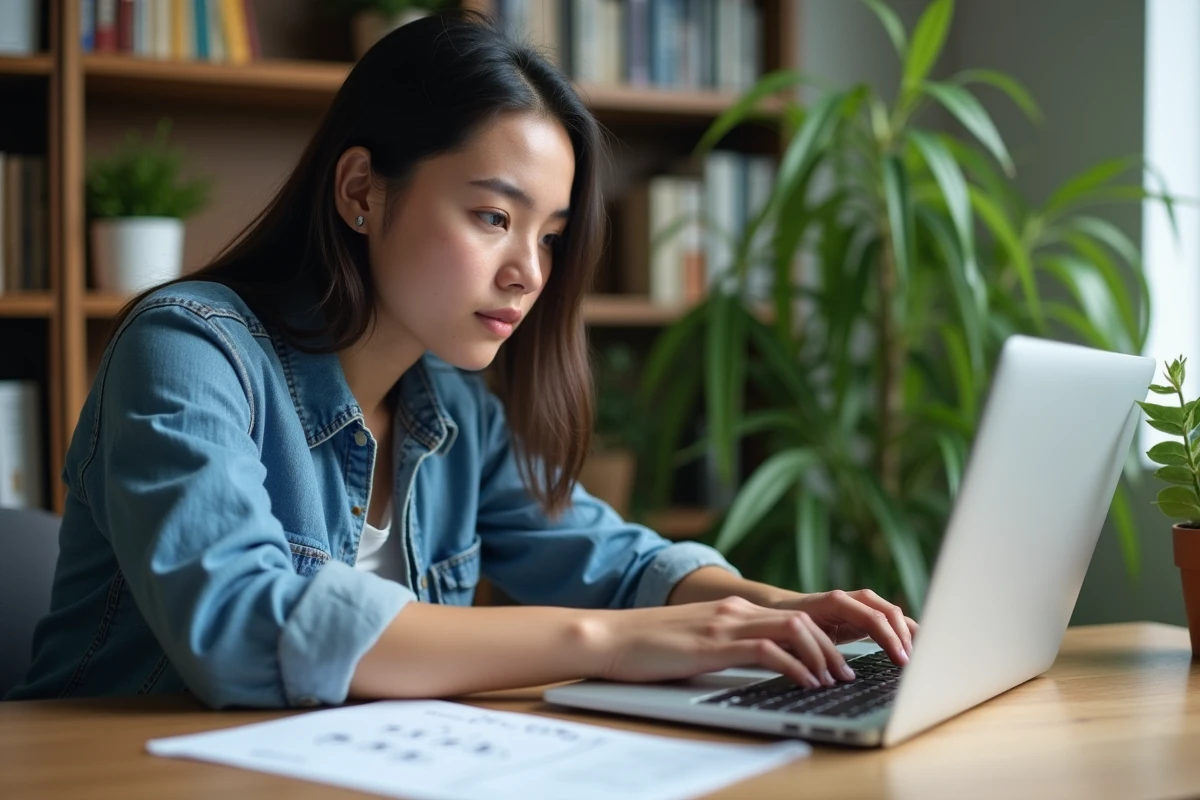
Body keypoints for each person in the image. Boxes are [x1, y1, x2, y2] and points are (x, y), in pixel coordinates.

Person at [6, 12, 916, 709]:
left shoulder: (452, 407)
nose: (528, 272)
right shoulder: (187, 350)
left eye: (550, 236)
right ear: (363, 191)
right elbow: (239, 627)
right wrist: (611, 643)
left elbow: (607, 556)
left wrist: (777, 604)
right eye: (492, 216)